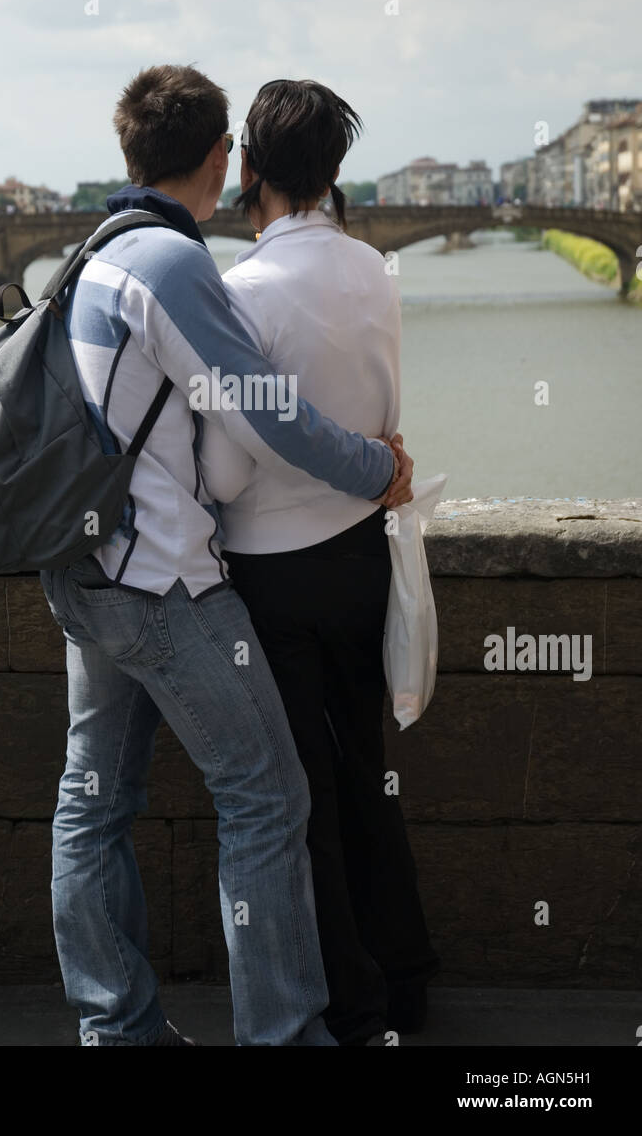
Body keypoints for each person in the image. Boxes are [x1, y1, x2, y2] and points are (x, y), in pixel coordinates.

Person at [38, 64, 401, 1047]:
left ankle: (118, 1028)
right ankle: (283, 1034)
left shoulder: (98, 251)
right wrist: (378, 468)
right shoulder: (170, 261)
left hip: (81, 570)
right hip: (159, 582)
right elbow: (266, 411)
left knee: (92, 801)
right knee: (268, 796)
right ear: (220, 158)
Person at [199, 79, 440, 1047]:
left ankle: (352, 1004)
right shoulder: (376, 272)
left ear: (249, 167)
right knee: (366, 773)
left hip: (273, 577)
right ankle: (406, 970)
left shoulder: (239, 293)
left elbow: (221, 469)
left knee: (301, 799)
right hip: (362, 558)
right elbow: (384, 420)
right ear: (333, 174)